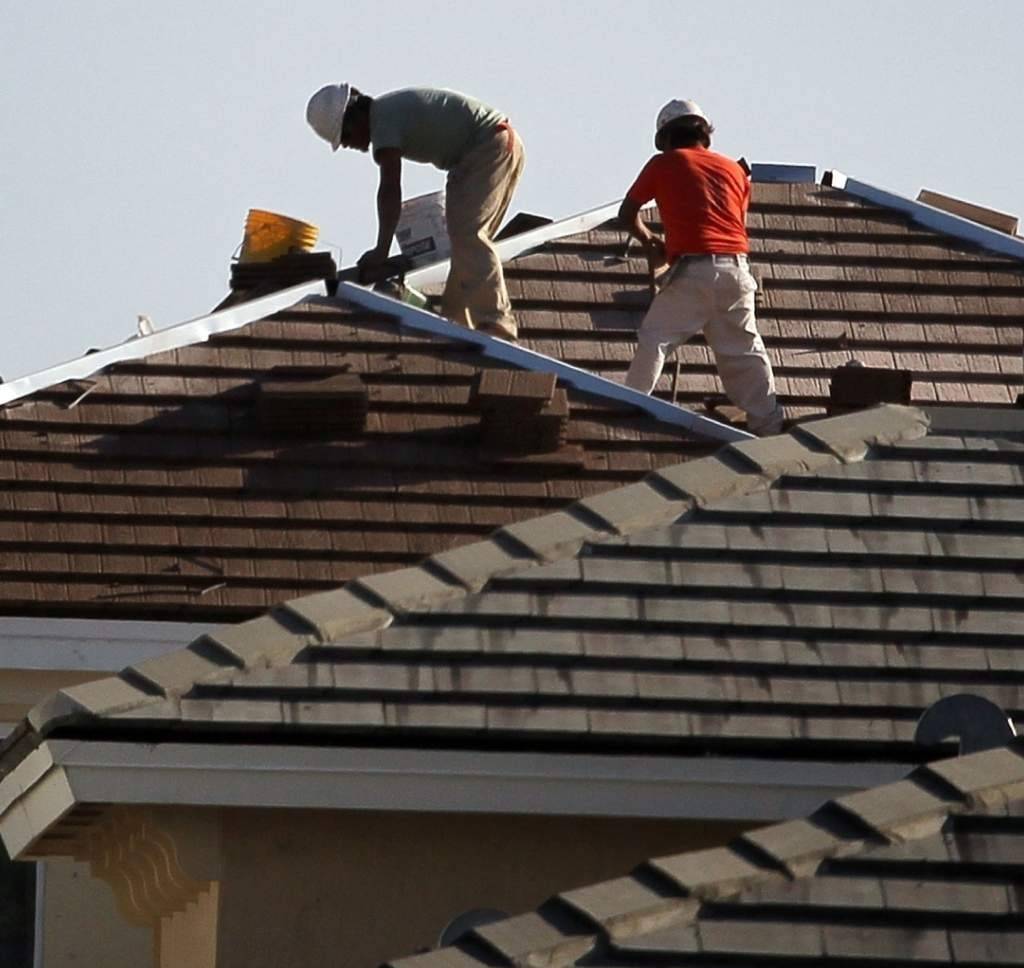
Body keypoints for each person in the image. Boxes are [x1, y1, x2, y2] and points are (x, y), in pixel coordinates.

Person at [306, 83, 525, 340]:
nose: (347, 145)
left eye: (345, 136)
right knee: (463, 245)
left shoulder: (382, 120)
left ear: (354, 116)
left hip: (488, 146)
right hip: (484, 150)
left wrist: (381, 251)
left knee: (469, 235)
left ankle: (496, 320)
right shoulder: (387, 113)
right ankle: (457, 324)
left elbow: (389, 190)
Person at [619, 99, 783, 436]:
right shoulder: (735, 171)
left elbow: (628, 212)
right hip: (738, 271)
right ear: (704, 134)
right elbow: (728, 222)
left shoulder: (663, 164)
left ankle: (630, 407)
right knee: (744, 352)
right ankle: (769, 426)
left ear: (664, 138)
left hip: (694, 271)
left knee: (656, 339)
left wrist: (650, 240)